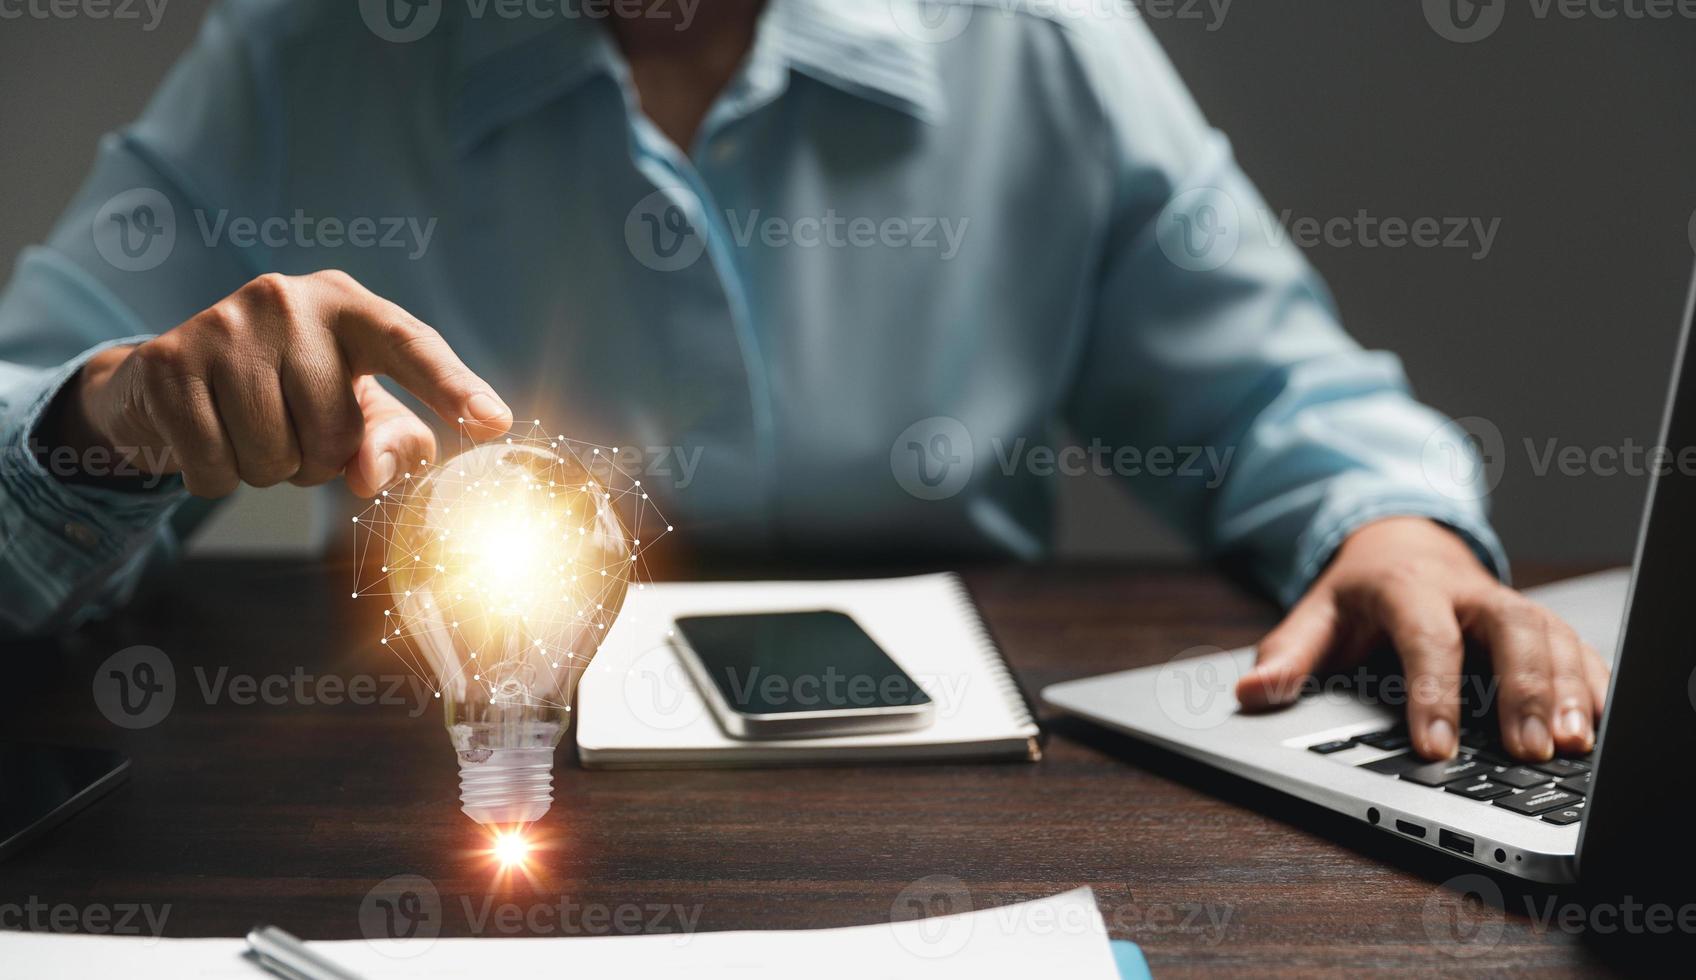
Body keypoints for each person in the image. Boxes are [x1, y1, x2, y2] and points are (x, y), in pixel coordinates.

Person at [0, 0, 1607, 764]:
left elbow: (1278, 392)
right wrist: (104, 418)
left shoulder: (1037, 47)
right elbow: (36, 400)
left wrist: (1396, 520)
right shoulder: (312, 58)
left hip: (967, 813)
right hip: (429, 789)